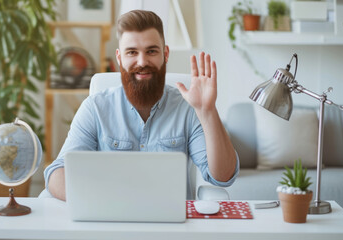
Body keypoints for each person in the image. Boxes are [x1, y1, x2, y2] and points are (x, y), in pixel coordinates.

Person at [44, 10, 239, 201]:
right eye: (132, 52)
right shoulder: (95, 108)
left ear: (165, 54)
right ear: (120, 58)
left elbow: (222, 177)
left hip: (173, 228)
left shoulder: (188, 108)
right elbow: (57, 173)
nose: (142, 61)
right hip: (111, 223)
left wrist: (208, 111)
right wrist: (101, 200)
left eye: (151, 51)